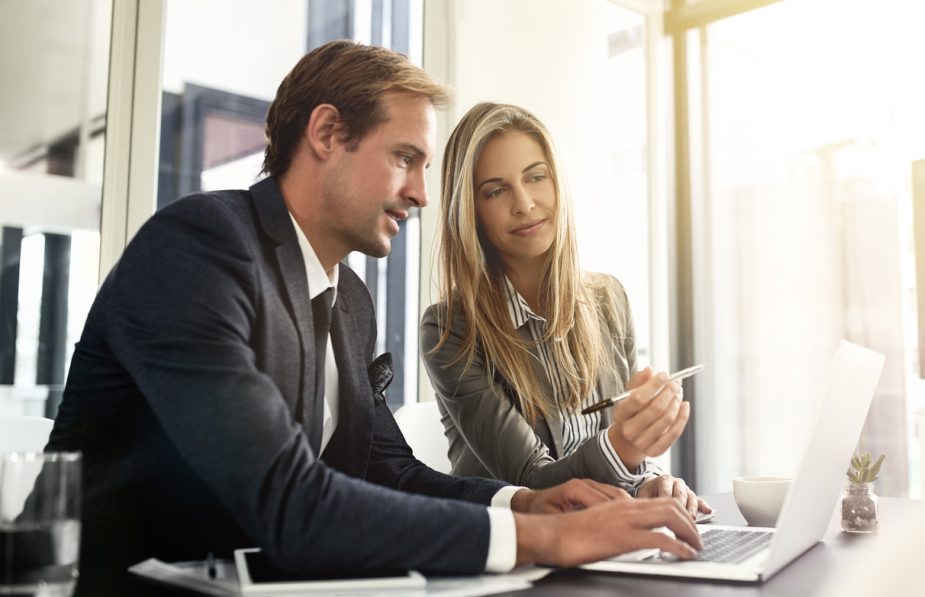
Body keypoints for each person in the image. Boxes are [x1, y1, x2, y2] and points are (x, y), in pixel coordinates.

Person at [45, 42, 702, 594]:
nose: (420, 192)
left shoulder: (349, 303)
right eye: (404, 158)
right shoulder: (199, 246)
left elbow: (391, 469)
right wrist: (541, 536)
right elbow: (289, 500)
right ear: (328, 133)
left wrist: (524, 502)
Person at [420, 102, 711, 517]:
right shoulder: (450, 329)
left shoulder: (609, 300)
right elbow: (533, 486)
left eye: (536, 177)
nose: (524, 204)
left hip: (607, 535)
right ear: (471, 211)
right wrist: (624, 447)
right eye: (496, 190)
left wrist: (649, 480)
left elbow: (623, 464)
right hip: (524, 549)